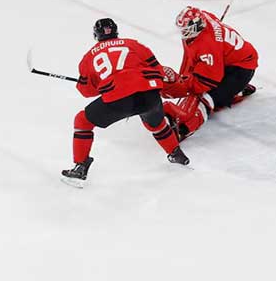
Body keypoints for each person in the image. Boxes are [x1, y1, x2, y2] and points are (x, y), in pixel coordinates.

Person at [61, 18, 190, 188]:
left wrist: (102, 85)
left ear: (96, 35)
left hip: (119, 99)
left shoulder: (89, 57)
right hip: (149, 94)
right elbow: (157, 69)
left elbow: (86, 91)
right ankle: (176, 153)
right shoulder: (134, 44)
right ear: (116, 32)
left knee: (82, 121)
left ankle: (80, 166)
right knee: (156, 123)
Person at [161, 6, 258, 141]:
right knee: (204, 87)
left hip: (240, 69)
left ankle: (185, 129)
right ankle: (234, 91)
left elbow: (206, 81)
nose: (183, 32)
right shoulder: (204, 17)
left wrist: (185, 87)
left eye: (186, 29)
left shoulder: (207, 46)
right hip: (229, 61)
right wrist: (183, 81)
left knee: (206, 97)